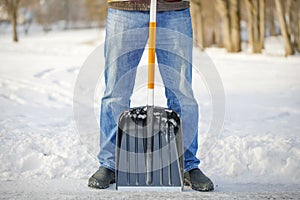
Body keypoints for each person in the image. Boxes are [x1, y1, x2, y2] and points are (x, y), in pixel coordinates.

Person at [88, 0, 214, 192]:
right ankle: (109, 164)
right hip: (125, 9)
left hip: (173, 10)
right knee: (116, 92)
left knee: (182, 94)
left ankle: (188, 164)